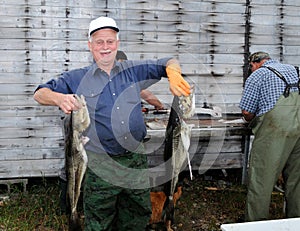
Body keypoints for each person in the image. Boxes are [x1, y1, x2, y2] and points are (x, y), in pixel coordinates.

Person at [33, 16, 190, 230]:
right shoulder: (77, 78)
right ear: (90, 46)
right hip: (100, 163)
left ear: (117, 44)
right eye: (99, 42)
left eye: (110, 41)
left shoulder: (132, 70)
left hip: (135, 159)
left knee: (136, 214)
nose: (105, 47)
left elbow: (168, 61)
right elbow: (40, 93)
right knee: (99, 219)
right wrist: (59, 98)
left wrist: (173, 72)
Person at [239, 51, 300, 221]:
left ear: (254, 64)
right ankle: (296, 220)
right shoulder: (293, 69)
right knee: (296, 180)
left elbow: (247, 111)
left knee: (261, 180)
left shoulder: (258, 75)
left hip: (274, 131)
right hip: (298, 126)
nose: (250, 71)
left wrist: (249, 118)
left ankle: (256, 223)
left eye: (250, 68)